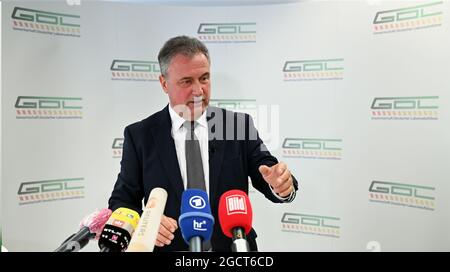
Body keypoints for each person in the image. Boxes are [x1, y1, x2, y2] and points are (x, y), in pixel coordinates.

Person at [108, 35, 299, 252]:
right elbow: (122, 201)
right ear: (164, 83)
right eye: (187, 81)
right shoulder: (140, 135)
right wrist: (147, 222)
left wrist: (281, 184)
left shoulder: (237, 125)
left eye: (205, 78)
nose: (198, 91)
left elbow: (269, 173)